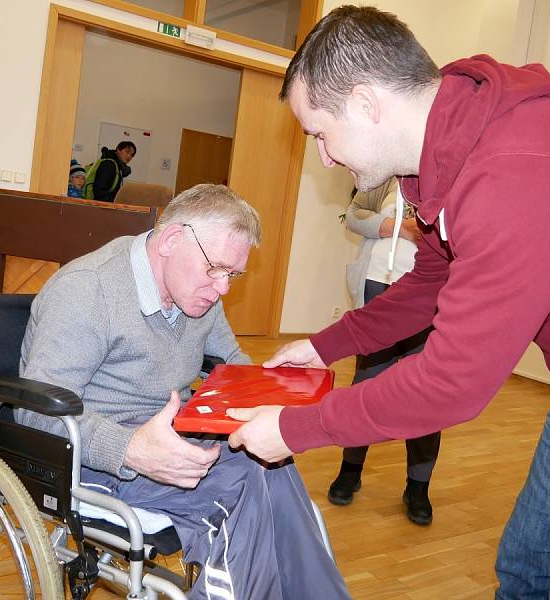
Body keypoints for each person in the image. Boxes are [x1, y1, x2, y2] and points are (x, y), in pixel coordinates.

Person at [227, 6, 550, 599]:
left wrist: (296, 428)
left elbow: (452, 383)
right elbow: (430, 285)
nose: (324, 158)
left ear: (366, 103)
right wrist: (324, 346)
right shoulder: (442, 168)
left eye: (319, 133)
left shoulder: (519, 171)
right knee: (524, 577)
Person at [18, 183, 350, 600]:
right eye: (217, 269)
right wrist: (131, 449)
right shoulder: (88, 291)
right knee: (237, 493)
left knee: (271, 462)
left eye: (233, 274)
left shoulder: (201, 293)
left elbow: (231, 359)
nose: (224, 287)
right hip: (98, 456)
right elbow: (37, 413)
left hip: (175, 432)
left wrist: (277, 390)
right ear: (173, 240)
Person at [329, 176, 440, 526]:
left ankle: (418, 487)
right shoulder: (386, 176)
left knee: (426, 397)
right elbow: (355, 215)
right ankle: (350, 470)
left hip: (427, 298)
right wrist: (398, 228)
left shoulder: (450, 180)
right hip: (377, 286)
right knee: (366, 384)